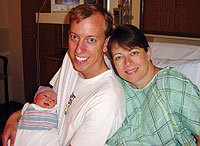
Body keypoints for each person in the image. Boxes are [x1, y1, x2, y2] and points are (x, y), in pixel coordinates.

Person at [2, 4, 126, 146]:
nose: (79, 49)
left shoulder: (106, 98)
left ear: (106, 44)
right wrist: (16, 116)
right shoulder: (70, 60)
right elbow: (50, 99)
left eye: (91, 40)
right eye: (74, 37)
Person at [106, 24, 200, 146]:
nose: (128, 63)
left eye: (133, 53)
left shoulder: (171, 84)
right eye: (119, 57)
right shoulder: (117, 87)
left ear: (148, 52)